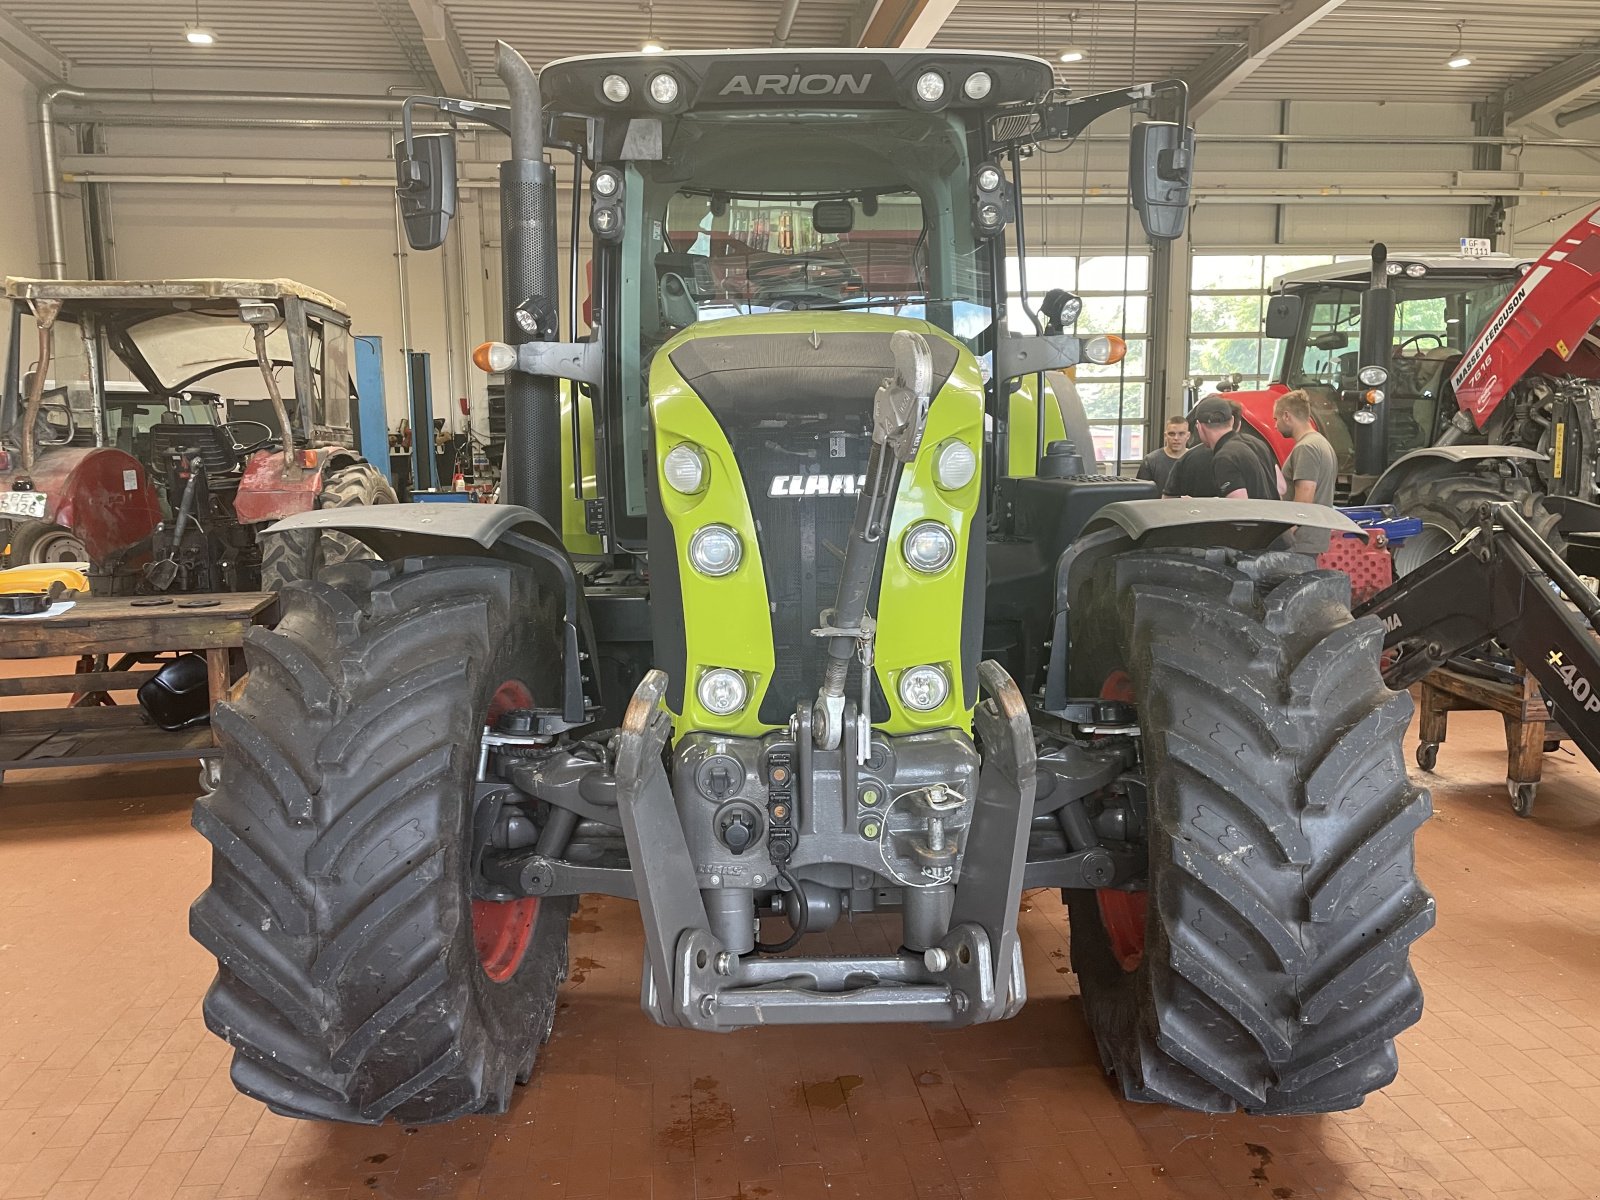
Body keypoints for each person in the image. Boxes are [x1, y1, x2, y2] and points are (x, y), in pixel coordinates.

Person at [1274, 388, 1340, 553]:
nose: (1275, 425)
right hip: (1311, 539)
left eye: (1276, 419)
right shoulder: (1321, 443)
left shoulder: (1306, 448)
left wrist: (1287, 534)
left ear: (1287, 416)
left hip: (1300, 543)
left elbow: (1304, 499)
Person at [1189, 395, 1275, 500]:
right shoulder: (1256, 443)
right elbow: (1282, 487)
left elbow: (1237, 507)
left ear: (1199, 426)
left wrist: (1198, 505)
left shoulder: (1225, 457)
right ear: (1232, 421)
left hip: (1252, 516)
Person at [1137, 415, 1189, 493]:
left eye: (1181, 434)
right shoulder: (1151, 461)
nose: (1176, 438)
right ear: (1165, 436)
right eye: (1171, 434)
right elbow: (1141, 493)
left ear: (1188, 436)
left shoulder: (1196, 460)